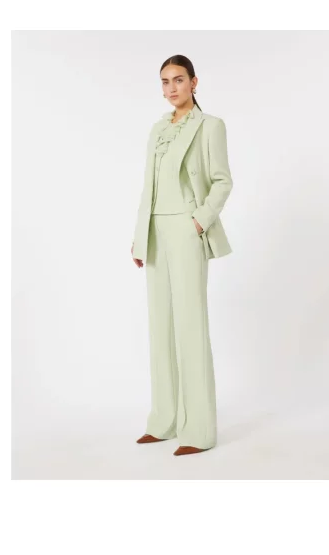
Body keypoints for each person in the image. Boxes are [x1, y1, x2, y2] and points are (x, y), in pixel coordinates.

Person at [131, 54, 233, 456]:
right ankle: (164, 420)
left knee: (190, 326)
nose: (171, 88)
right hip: (156, 231)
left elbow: (223, 181)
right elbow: (149, 187)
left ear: (193, 82)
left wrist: (199, 222)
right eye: (165, 81)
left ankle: (199, 431)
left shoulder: (210, 126)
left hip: (187, 230)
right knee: (160, 328)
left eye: (178, 79)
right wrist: (140, 236)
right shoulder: (158, 130)